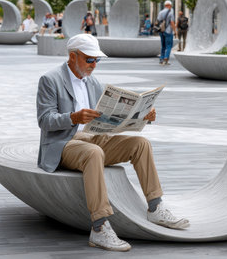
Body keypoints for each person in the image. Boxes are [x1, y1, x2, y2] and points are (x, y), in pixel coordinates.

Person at [36, 34, 189, 252]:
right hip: (65, 143)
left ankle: (155, 207)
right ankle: (99, 227)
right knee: (93, 153)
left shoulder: (93, 82)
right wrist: (73, 117)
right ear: (72, 56)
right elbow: (44, 120)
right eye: (90, 60)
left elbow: (108, 118)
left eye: (97, 60)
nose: (94, 65)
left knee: (140, 144)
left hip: (95, 137)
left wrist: (143, 116)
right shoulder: (50, 80)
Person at [157, 0, 176, 65]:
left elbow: (157, 22)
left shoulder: (160, 12)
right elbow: (172, 22)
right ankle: (166, 58)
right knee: (169, 46)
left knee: (163, 46)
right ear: (169, 5)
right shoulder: (170, 13)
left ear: (165, 5)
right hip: (168, 31)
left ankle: (161, 60)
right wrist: (175, 31)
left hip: (161, 31)